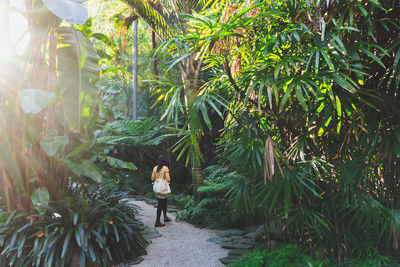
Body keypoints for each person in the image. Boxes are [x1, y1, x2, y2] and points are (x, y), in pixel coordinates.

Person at [151, 155, 172, 227]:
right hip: (162, 188)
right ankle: (157, 221)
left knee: (164, 202)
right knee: (160, 204)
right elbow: (168, 179)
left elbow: (152, 178)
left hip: (157, 188)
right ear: (164, 161)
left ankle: (165, 217)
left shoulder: (155, 168)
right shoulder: (165, 168)